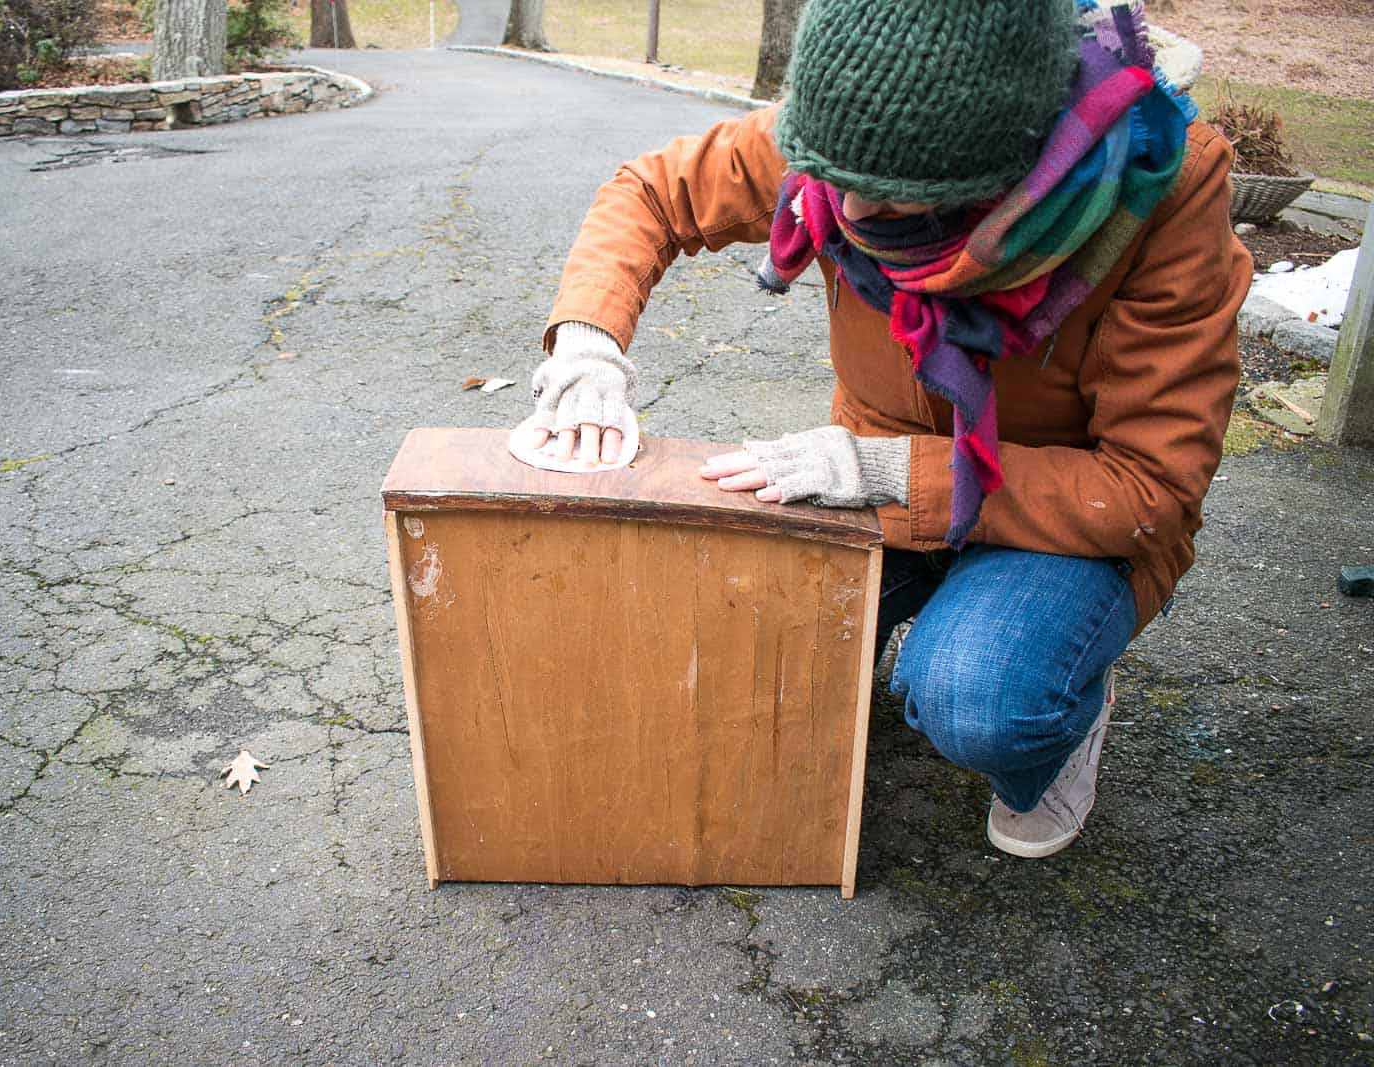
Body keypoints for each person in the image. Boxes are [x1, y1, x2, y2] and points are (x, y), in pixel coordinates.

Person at [522, 0, 1250, 858]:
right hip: (874, 466)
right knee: (728, 625)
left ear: (1008, 172)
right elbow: (650, 191)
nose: (849, 214)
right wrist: (589, 346)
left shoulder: (1155, 184)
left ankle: (1063, 710)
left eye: (904, 202)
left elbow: (1149, 492)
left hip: (1069, 519)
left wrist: (889, 472)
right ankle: (937, 608)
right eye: (833, 181)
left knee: (977, 695)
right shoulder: (844, 135)